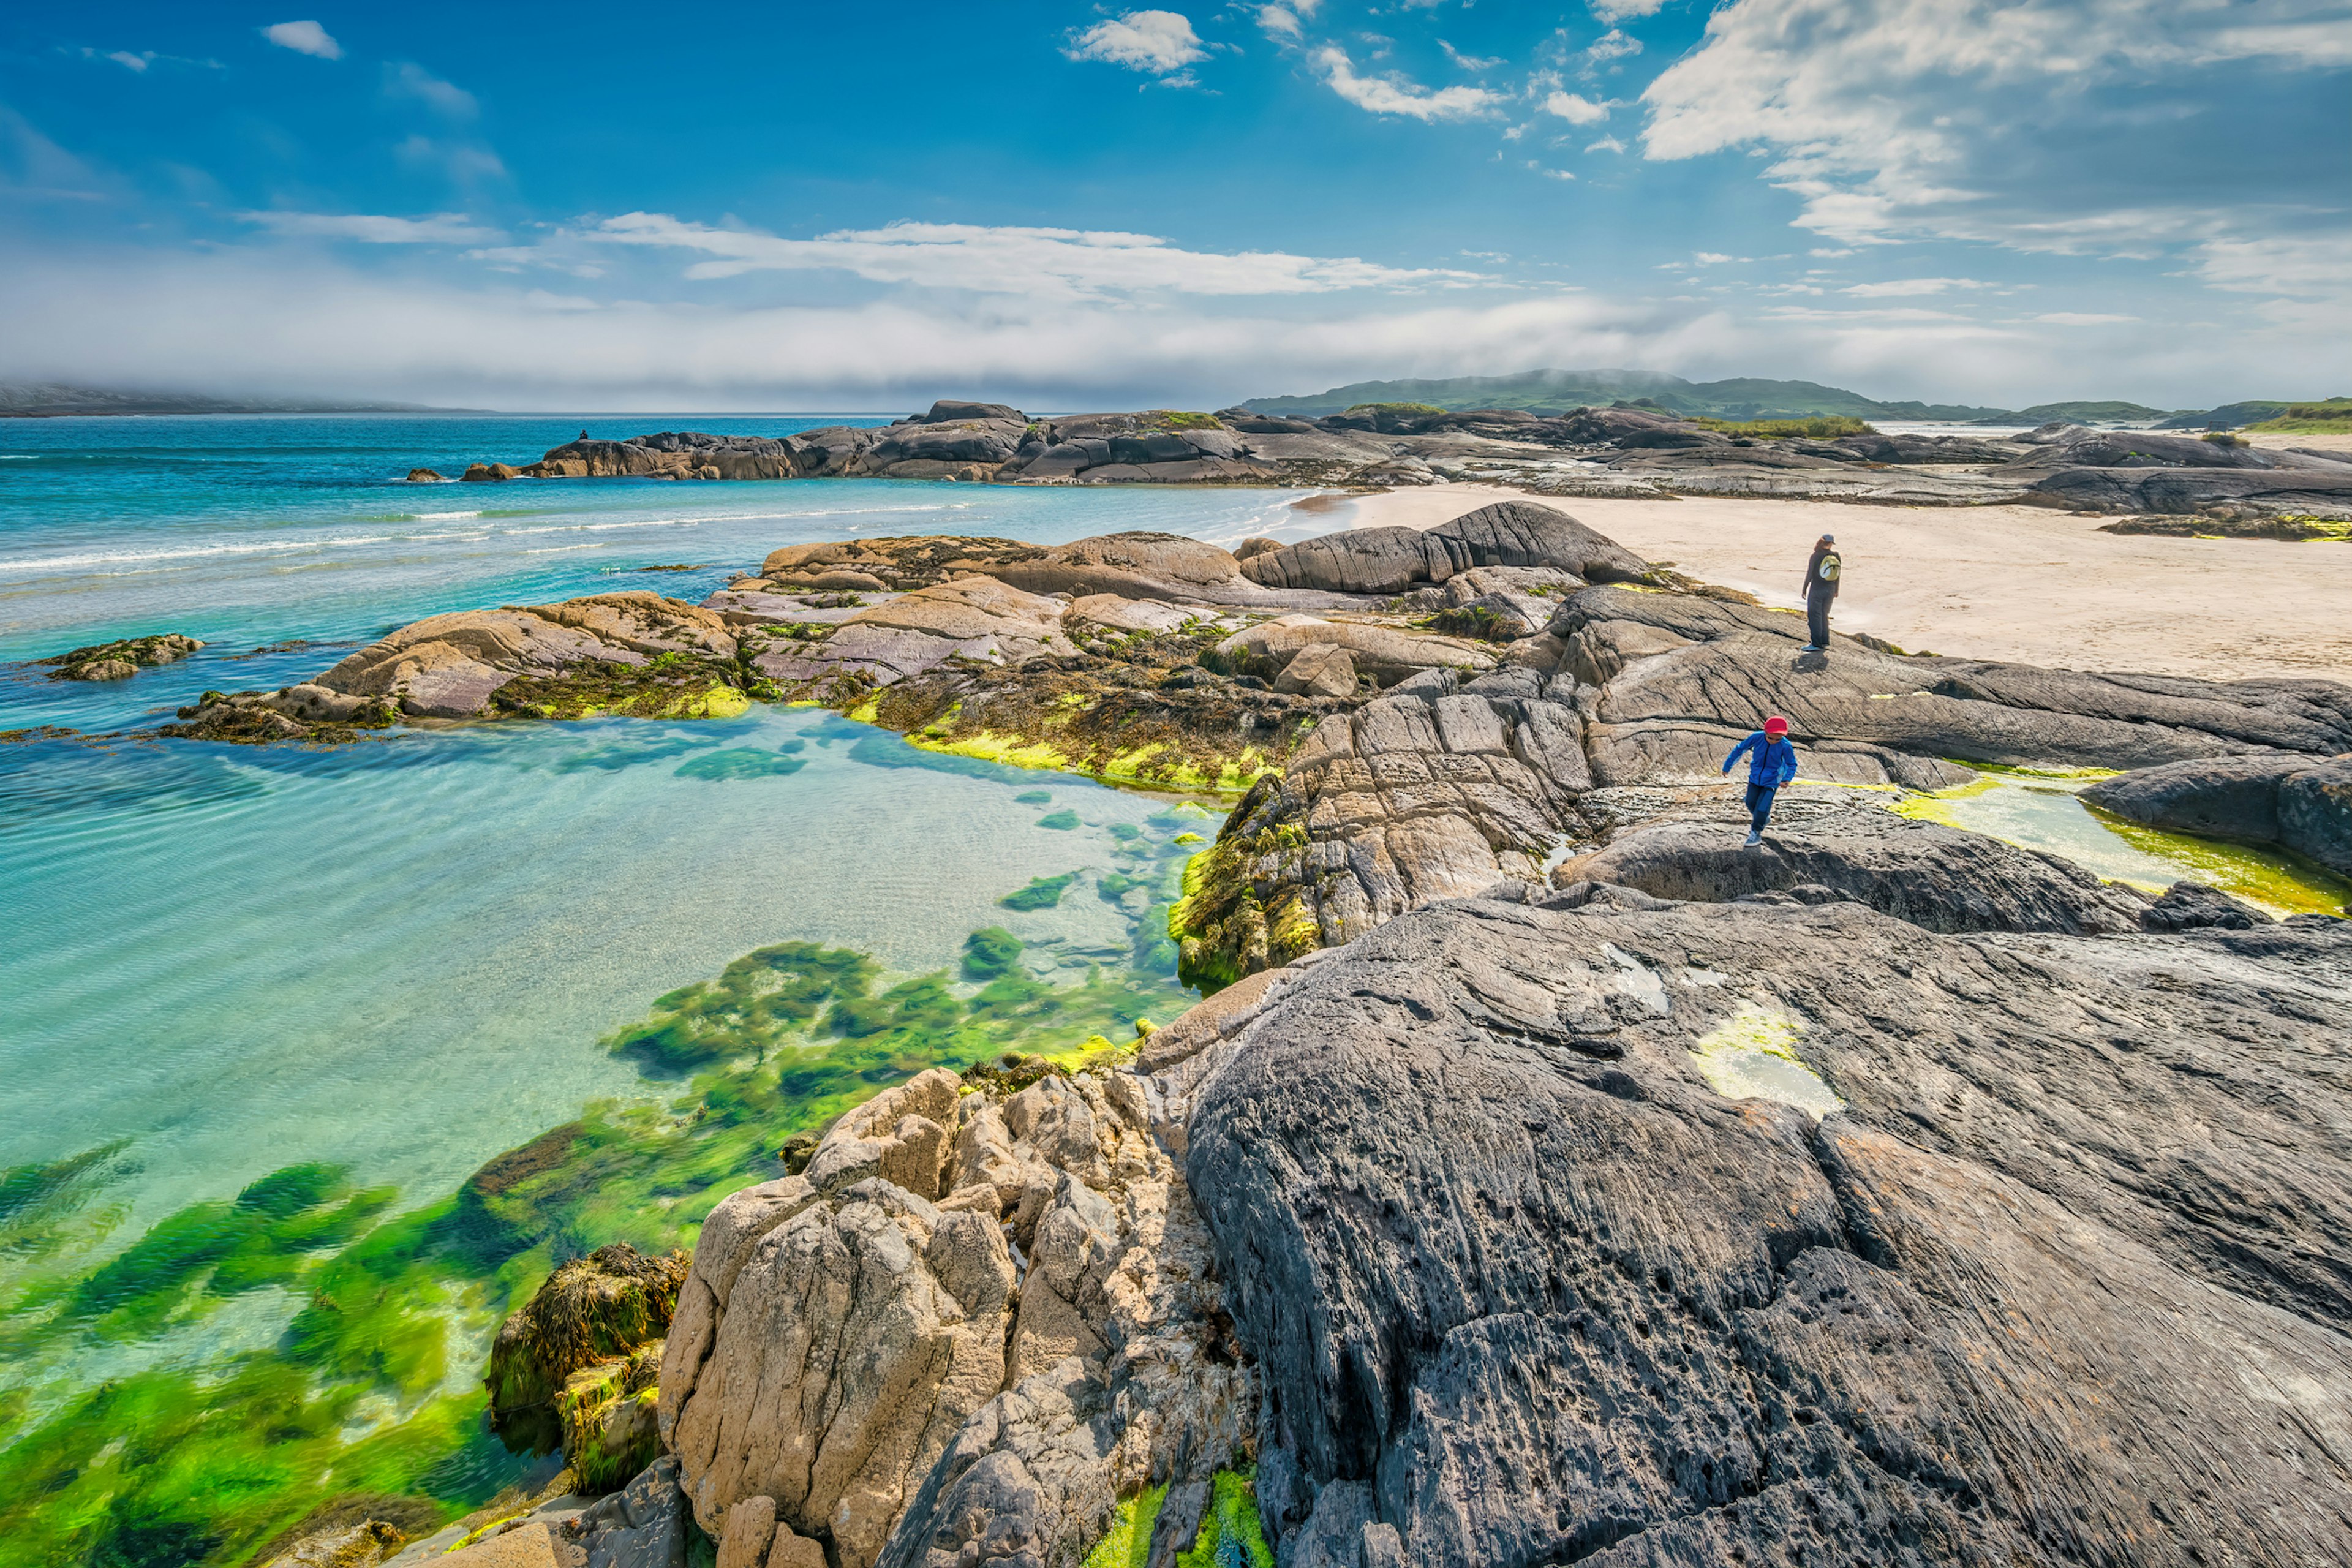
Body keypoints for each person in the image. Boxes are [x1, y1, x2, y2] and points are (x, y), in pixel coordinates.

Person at [1724, 715, 1798, 845]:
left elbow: (1791, 764)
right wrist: (1727, 766)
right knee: (1750, 803)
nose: (1774, 741)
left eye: (1778, 739)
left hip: (1772, 781)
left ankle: (1756, 833)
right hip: (1755, 779)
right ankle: (1763, 818)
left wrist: (1787, 779)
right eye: (1771, 738)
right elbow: (1740, 749)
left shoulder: (1785, 746)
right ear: (1765, 731)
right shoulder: (1756, 737)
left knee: (1762, 809)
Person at [1801, 533, 1841, 651]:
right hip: (1831, 589)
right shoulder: (1836, 556)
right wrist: (1837, 590)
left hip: (1817, 589)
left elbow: (1810, 574)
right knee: (1824, 615)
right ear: (1831, 544)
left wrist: (1804, 589)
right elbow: (1838, 574)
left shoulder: (1816, 556)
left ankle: (1816, 644)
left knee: (1815, 616)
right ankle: (1824, 641)